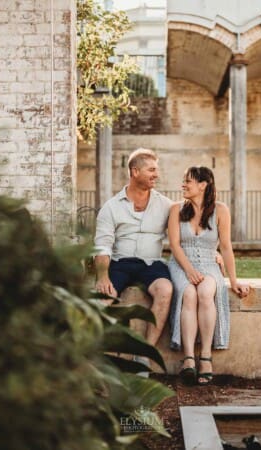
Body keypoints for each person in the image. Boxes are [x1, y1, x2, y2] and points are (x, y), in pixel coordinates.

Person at [168, 166, 249, 385]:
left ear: (203, 185)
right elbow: (174, 245)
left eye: (188, 181)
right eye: (184, 181)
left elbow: (226, 247)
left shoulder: (221, 210)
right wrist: (189, 270)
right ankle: (188, 360)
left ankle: (205, 356)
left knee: (205, 293)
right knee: (189, 294)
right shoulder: (176, 209)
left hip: (209, 263)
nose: (183, 185)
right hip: (181, 263)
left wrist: (233, 280)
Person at [94, 148, 173, 360]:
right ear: (135, 171)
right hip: (120, 263)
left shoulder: (166, 205)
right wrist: (102, 276)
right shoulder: (111, 207)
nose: (156, 174)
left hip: (152, 264)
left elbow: (187, 230)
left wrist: (212, 252)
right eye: (152, 170)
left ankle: (145, 354)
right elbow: (102, 245)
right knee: (102, 299)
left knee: (165, 290)